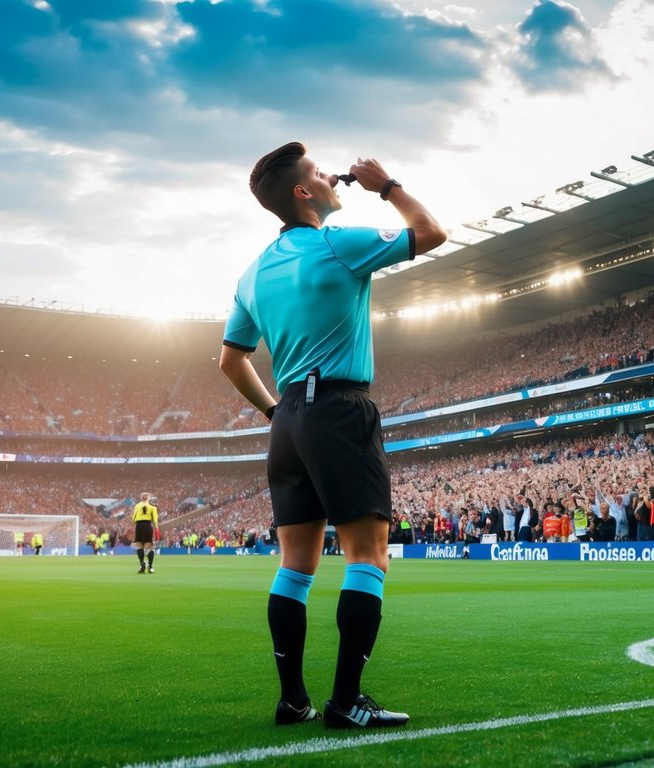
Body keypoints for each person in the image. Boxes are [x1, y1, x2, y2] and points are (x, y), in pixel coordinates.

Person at [220, 142, 445, 728]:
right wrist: (388, 185)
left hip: (290, 418)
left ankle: (293, 698)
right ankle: (346, 702)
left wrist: (275, 412)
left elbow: (230, 360)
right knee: (368, 556)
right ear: (303, 192)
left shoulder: (251, 274)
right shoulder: (335, 244)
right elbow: (431, 233)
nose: (330, 177)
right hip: (340, 407)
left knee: (295, 565)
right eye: (320, 173)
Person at [132, 493, 160, 573]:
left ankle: (142, 564)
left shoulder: (137, 506)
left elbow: (133, 519)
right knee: (149, 546)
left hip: (139, 526)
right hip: (148, 526)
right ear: (149, 499)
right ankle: (150, 567)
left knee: (140, 547)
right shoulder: (153, 508)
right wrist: (157, 530)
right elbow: (155, 521)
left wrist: (133, 528)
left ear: (141, 498)